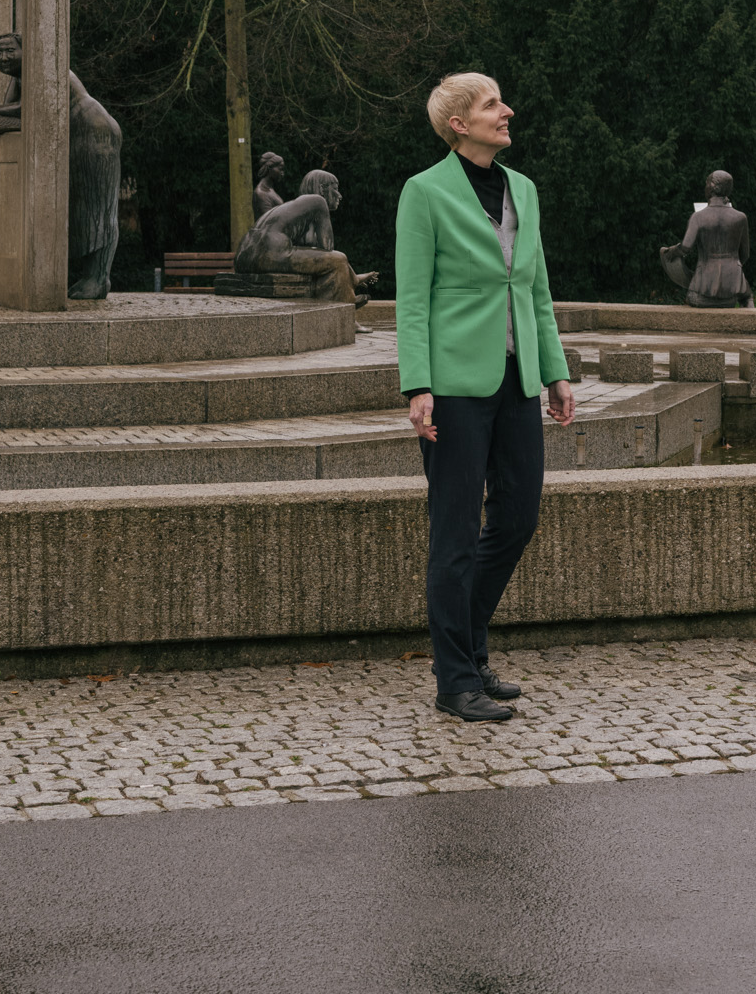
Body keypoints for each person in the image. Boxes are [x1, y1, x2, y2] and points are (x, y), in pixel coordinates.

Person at [396, 73, 576, 723]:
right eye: (492, 104)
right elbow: (412, 298)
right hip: (453, 388)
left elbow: (535, 290)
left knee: (518, 518)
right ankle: (455, 680)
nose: (507, 111)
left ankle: (467, 649)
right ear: (459, 124)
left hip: (517, 382)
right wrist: (418, 385)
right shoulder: (424, 192)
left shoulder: (523, 189)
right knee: (454, 533)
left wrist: (555, 372)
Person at [233, 169, 377, 308]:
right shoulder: (318, 201)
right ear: (322, 188)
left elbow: (310, 253)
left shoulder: (297, 206)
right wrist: (350, 275)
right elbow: (327, 249)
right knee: (337, 259)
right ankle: (342, 308)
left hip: (244, 257)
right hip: (270, 253)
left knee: (337, 259)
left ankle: (348, 294)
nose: (339, 195)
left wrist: (352, 277)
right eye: (335, 189)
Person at [659, 172, 754, 307]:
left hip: (702, 290)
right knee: (747, 297)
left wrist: (672, 251)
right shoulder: (741, 217)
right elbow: (745, 254)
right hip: (733, 287)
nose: (705, 186)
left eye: (707, 183)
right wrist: (732, 269)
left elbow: (686, 247)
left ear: (713, 187)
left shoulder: (698, 217)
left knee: (693, 298)